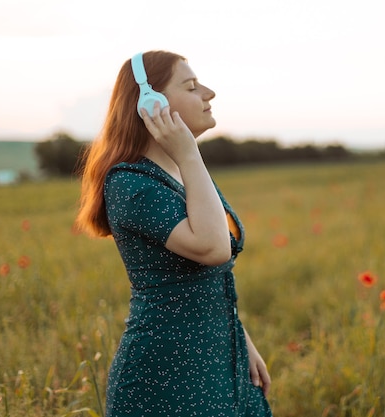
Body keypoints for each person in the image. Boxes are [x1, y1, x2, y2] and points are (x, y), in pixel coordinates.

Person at [76, 50, 273, 416]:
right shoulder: (130, 183)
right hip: (166, 377)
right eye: (192, 86)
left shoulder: (183, 174)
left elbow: (209, 278)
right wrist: (188, 153)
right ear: (150, 104)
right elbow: (213, 249)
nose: (209, 93)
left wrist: (240, 341)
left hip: (217, 360)